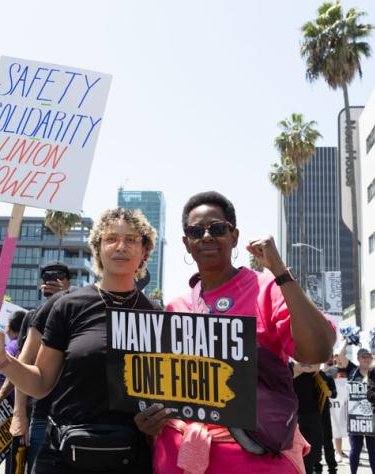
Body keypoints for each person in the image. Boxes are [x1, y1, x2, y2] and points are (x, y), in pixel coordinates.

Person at [135, 191, 336, 474]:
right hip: (181, 457)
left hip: (257, 457)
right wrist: (150, 420)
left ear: (234, 236)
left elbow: (317, 351)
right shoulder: (175, 307)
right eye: (196, 231)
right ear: (186, 242)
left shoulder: (269, 289)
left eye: (217, 228)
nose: (206, 236)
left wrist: (281, 272)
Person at [0, 208, 157, 474]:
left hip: (130, 458)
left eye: (131, 239)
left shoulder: (157, 317)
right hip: (63, 457)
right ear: (98, 248)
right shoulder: (69, 305)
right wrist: (3, 361)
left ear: (145, 251)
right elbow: (41, 384)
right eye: (111, 238)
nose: (121, 246)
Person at [0, 262, 72, 473]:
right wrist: (11, 407)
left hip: (70, 415)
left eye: (58, 275)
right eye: (45, 277)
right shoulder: (32, 317)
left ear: (69, 281)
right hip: (38, 414)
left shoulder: (76, 311)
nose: (51, 280)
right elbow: (19, 364)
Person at [347, 348, 375, 473]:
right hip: (355, 420)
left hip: (372, 420)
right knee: (355, 449)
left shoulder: (374, 372)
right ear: (358, 359)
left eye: (369, 357)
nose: (367, 359)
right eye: (364, 357)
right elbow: (340, 356)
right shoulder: (352, 371)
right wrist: (347, 339)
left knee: (373, 450)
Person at [332, 339, 357, 462]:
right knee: (337, 429)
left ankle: (354, 452)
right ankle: (338, 452)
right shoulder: (330, 370)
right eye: (335, 356)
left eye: (339, 356)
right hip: (336, 406)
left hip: (350, 405)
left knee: (352, 430)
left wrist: (347, 339)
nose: (338, 358)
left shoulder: (351, 368)